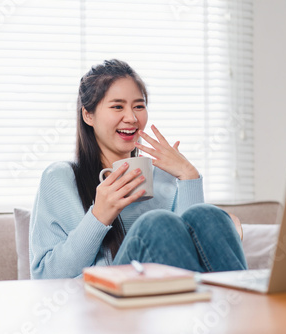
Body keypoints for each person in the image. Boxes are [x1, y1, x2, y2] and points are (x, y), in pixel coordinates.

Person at [29, 59, 247, 279]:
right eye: (117, 106)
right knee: (157, 223)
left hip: (169, 297)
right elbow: (46, 276)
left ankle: (239, 307)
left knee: (209, 216)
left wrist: (189, 177)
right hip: (102, 301)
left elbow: (193, 257)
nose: (132, 118)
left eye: (139, 106)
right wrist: (98, 217)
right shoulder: (59, 179)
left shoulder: (164, 177)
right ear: (88, 115)